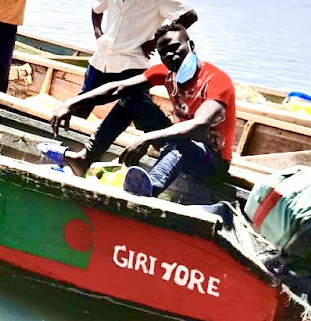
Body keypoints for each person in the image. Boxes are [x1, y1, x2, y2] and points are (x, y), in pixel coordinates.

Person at [51, 23, 236, 198]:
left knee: (182, 143)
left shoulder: (217, 80)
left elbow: (199, 126)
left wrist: (148, 137)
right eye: (163, 53)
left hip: (211, 162)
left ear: (191, 45)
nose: (170, 55)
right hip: (177, 141)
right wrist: (72, 103)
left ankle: (148, 188)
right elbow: (118, 88)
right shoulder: (166, 73)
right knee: (132, 99)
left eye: (175, 47)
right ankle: (85, 159)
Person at [76, 0, 197, 116]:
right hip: (102, 59)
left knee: (134, 114)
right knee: (80, 108)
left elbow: (189, 15)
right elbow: (96, 8)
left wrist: (156, 41)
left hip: (132, 63)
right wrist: (98, 34)